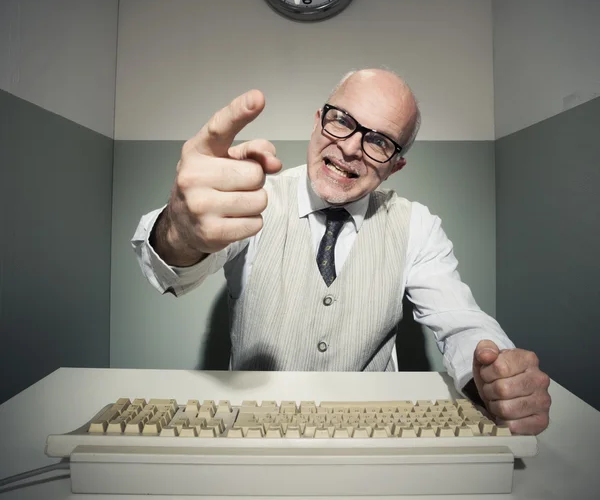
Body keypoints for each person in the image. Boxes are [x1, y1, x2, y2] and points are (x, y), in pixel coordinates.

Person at [132, 68, 551, 435]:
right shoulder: (254, 196)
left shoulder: (416, 225)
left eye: (381, 142)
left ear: (395, 165)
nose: (350, 148)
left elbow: (460, 322)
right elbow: (174, 270)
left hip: (375, 437)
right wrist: (180, 233)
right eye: (342, 121)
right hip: (255, 431)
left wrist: (496, 373)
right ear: (318, 120)